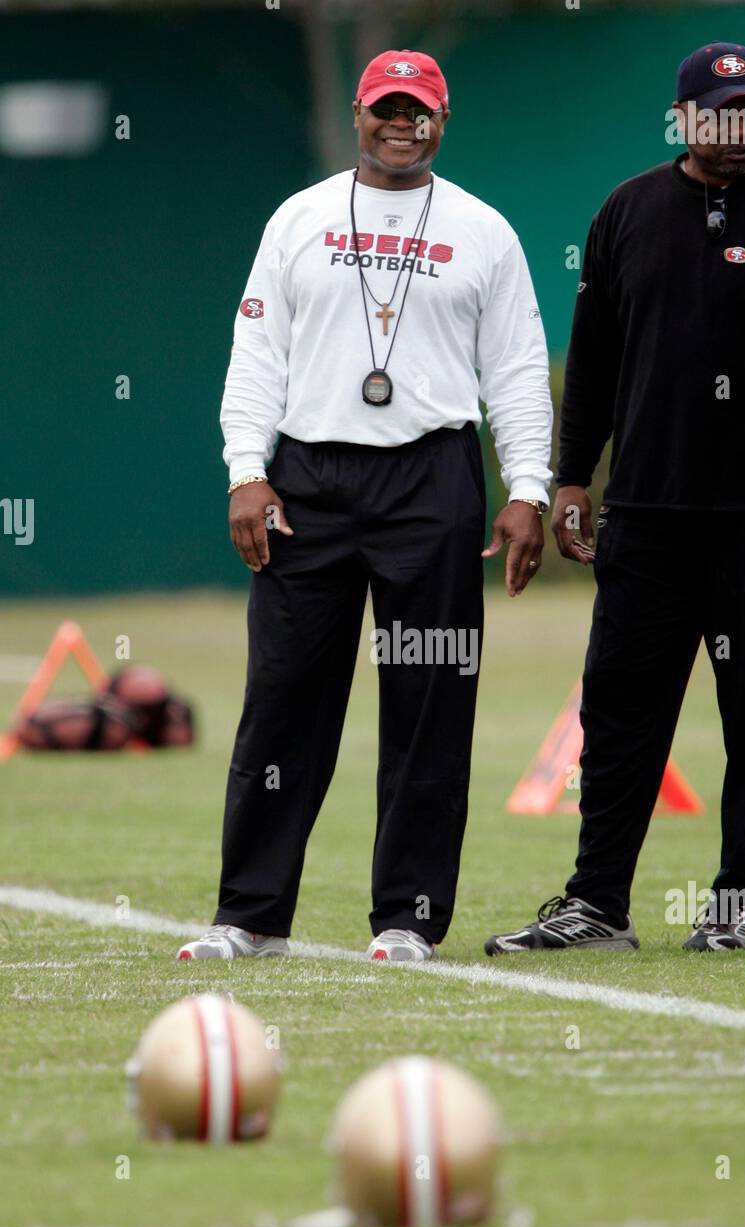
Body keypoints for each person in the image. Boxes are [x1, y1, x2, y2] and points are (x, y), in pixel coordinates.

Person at [179, 49, 553, 963]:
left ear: (442, 120)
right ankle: (251, 916)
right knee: (283, 700)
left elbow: (514, 371)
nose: (402, 123)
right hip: (307, 482)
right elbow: (257, 356)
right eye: (387, 107)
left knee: (429, 700)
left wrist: (529, 489)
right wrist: (243, 469)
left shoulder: (484, 231)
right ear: (358, 113)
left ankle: (408, 920)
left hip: (433, 482)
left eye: (418, 110)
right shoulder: (299, 218)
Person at [486, 41, 745, 957]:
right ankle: (597, 903)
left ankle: (736, 899)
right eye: (719, 113)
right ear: (684, 118)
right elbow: (597, 358)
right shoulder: (628, 212)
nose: (736, 131)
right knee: (617, 709)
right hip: (645, 513)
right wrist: (572, 477)